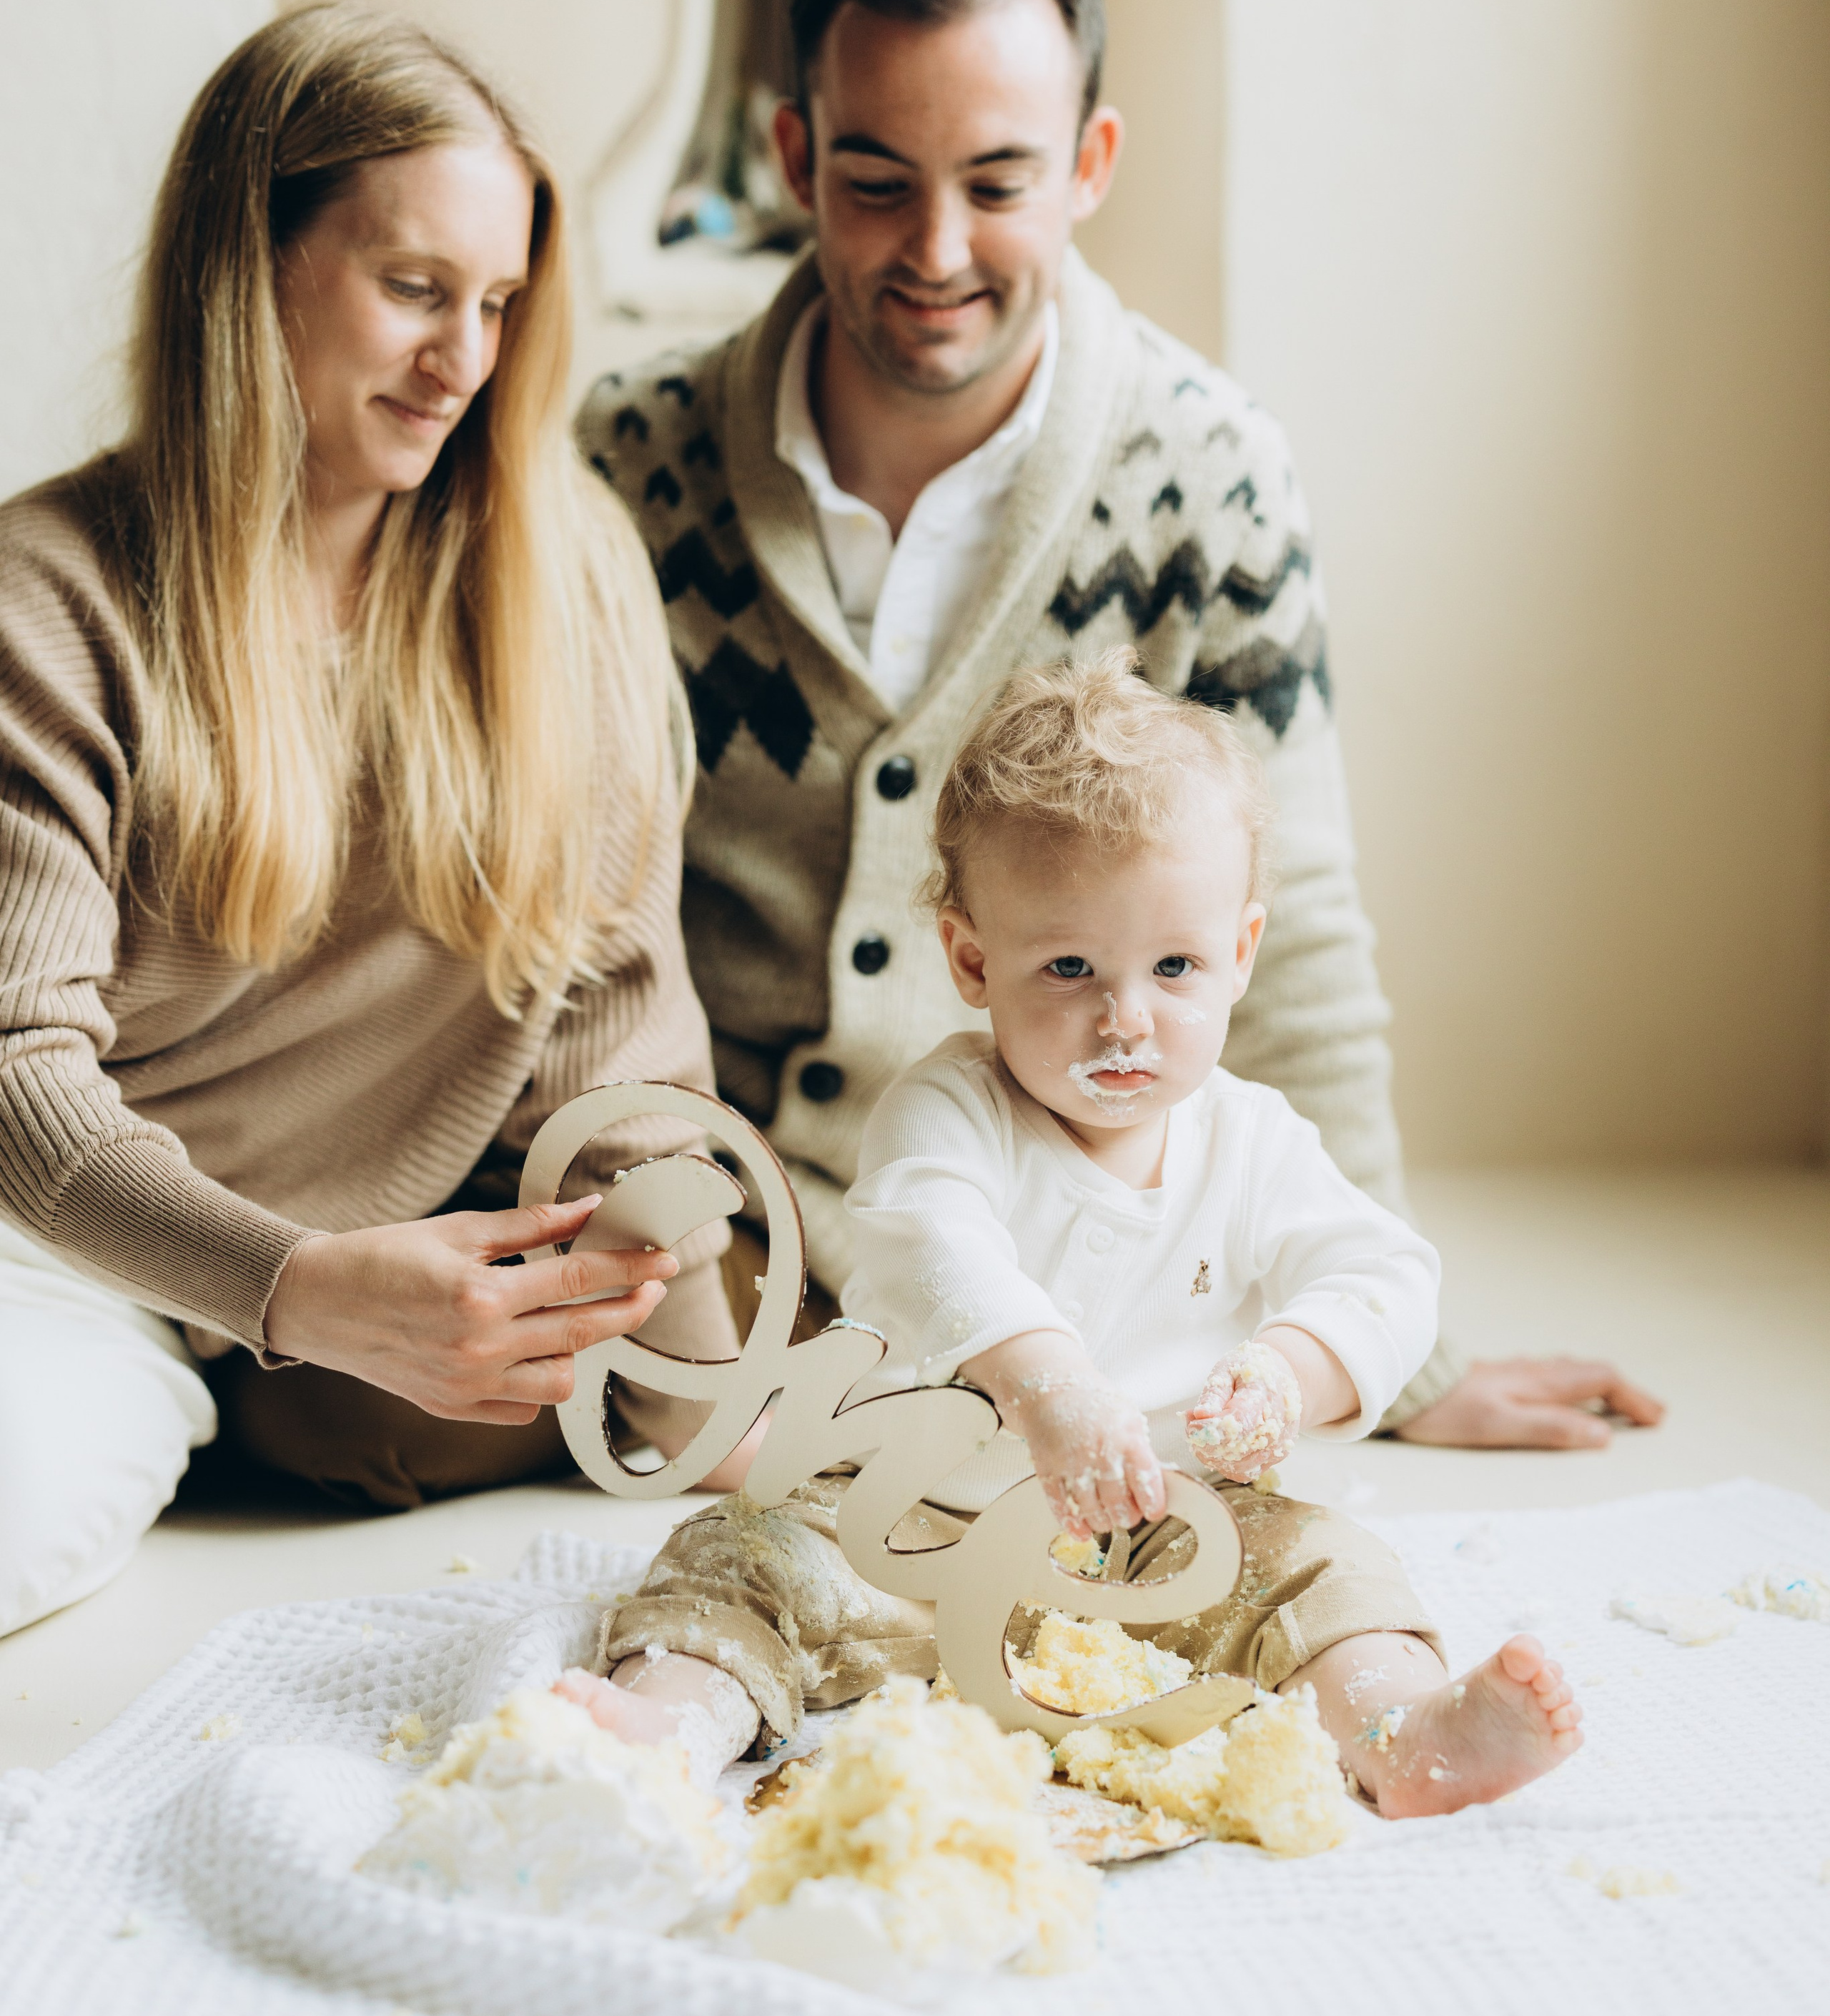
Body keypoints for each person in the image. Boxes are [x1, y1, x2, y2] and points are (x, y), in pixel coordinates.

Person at [578, 0, 1661, 1451]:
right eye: (876, 182)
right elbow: (553, 918)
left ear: (1087, 166)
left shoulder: (1207, 476)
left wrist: (1396, 1370)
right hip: (710, 1241)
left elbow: (1285, 948)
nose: (935, 251)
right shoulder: (628, 465)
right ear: (796, 160)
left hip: (1061, 1267)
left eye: (997, 185)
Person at [0, 3, 743, 1641]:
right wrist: (292, 1290)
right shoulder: (50, 600)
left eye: (495, 303)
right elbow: (18, 1086)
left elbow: (614, 1024)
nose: (461, 359)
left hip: (329, 1285)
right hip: (58, 1258)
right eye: (414, 289)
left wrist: (691, 1326)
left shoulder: (564, 581)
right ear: (249, 264)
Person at [563, 656, 1583, 1817]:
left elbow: (1385, 1271)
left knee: (1326, 1564)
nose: (1125, 1018)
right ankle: (673, 1717)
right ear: (971, 960)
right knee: (743, 1558)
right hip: (909, 1528)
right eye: (1068, 968)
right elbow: (923, 1236)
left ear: (1241, 953)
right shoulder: (948, 1113)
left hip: (1174, 1535)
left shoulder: (1252, 1142)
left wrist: (1291, 1375)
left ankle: (1408, 1731)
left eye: (1176, 967)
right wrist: (1044, 1385)